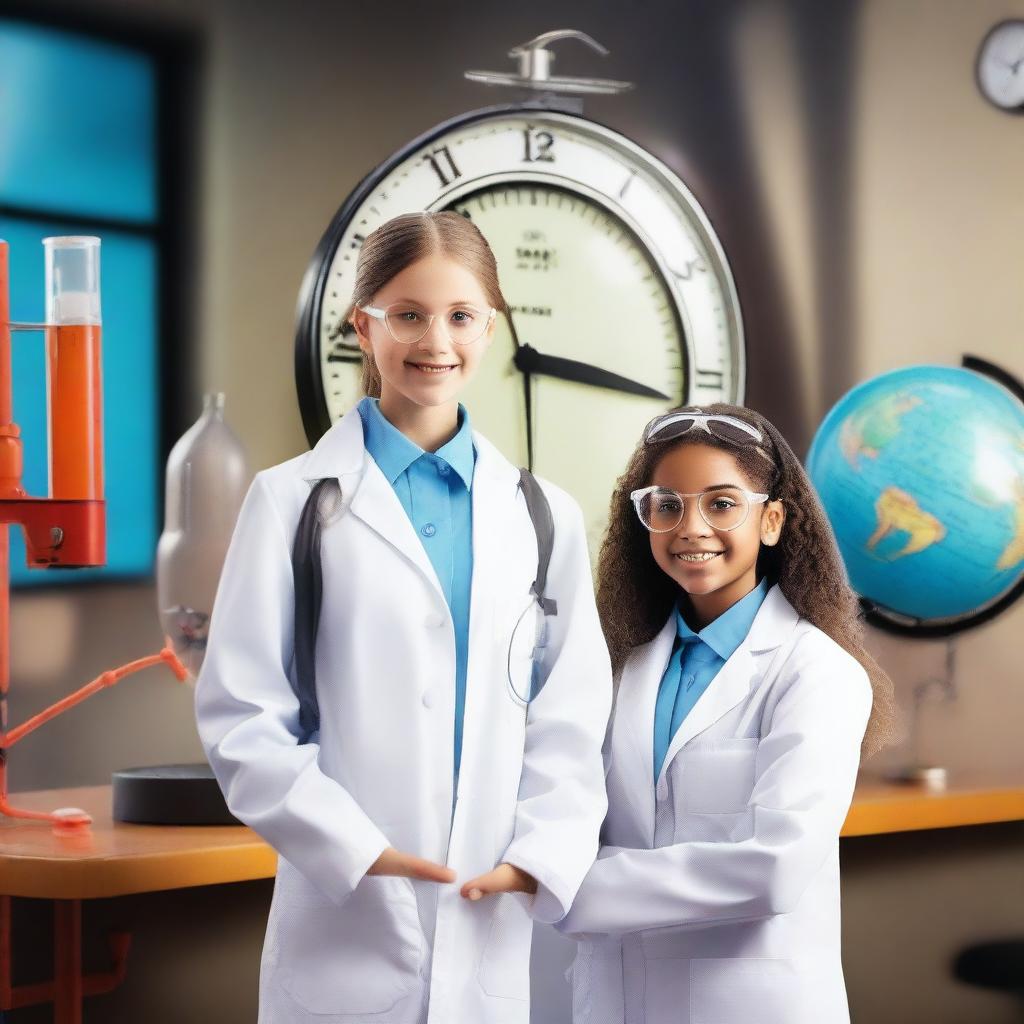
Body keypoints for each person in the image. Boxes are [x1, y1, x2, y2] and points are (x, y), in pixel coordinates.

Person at [194, 211, 612, 1023]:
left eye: (461, 316)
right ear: (363, 325)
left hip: (491, 910)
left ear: (490, 328)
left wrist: (538, 856)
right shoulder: (291, 503)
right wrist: (357, 850)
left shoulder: (542, 514)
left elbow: (571, 712)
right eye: (408, 314)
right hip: (341, 915)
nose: (436, 340)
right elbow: (241, 716)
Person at [555, 404, 897, 1024]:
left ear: (770, 521)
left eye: (720, 503)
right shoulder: (616, 667)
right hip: (615, 997)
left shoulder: (815, 673)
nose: (690, 527)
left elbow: (773, 869)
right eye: (666, 505)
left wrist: (557, 884)